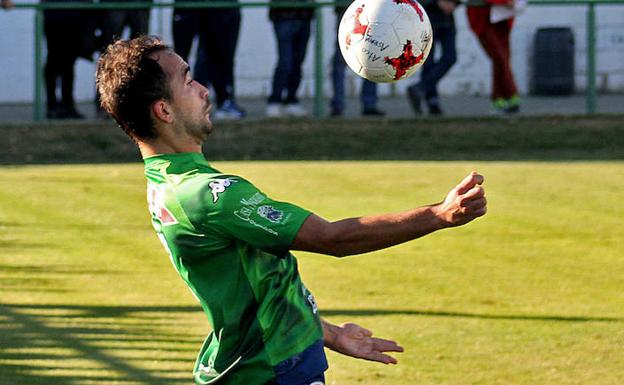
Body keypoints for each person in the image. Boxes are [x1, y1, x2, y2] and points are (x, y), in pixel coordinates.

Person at [96, 35, 487, 385]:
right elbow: (333, 238)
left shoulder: (165, 182)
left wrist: (328, 333)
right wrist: (438, 215)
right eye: (187, 80)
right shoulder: (210, 195)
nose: (202, 89)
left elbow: (255, 287)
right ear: (164, 111)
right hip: (271, 371)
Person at [172, 0, 246, 120]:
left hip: (212, 8)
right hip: (186, 6)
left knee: (215, 55)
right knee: (180, 58)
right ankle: (177, 105)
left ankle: (223, 102)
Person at [466, 0, 521, 114]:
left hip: (502, 18)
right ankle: (511, 94)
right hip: (483, 17)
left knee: (502, 59)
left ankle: (499, 98)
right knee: (499, 58)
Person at [330, 4, 385, 117]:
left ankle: (367, 104)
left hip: (368, 10)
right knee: (343, 59)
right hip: (349, 11)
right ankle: (339, 105)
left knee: (371, 56)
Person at [406, 0, 459, 116]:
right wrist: (436, 2)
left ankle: (420, 88)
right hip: (427, 18)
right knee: (428, 61)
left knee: (450, 57)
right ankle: (432, 101)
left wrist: (454, 3)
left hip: (447, 20)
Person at [42, 0, 90, 119]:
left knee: (68, 62)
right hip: (55, 16)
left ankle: (66, 105)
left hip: (74, 16)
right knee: (54, 61)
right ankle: (53, 105)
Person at [266, 0, 314, 118]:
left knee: (298, 61)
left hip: (304, 15)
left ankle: (291, 99)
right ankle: (275, 100)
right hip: (284, 16)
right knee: (285, 62)